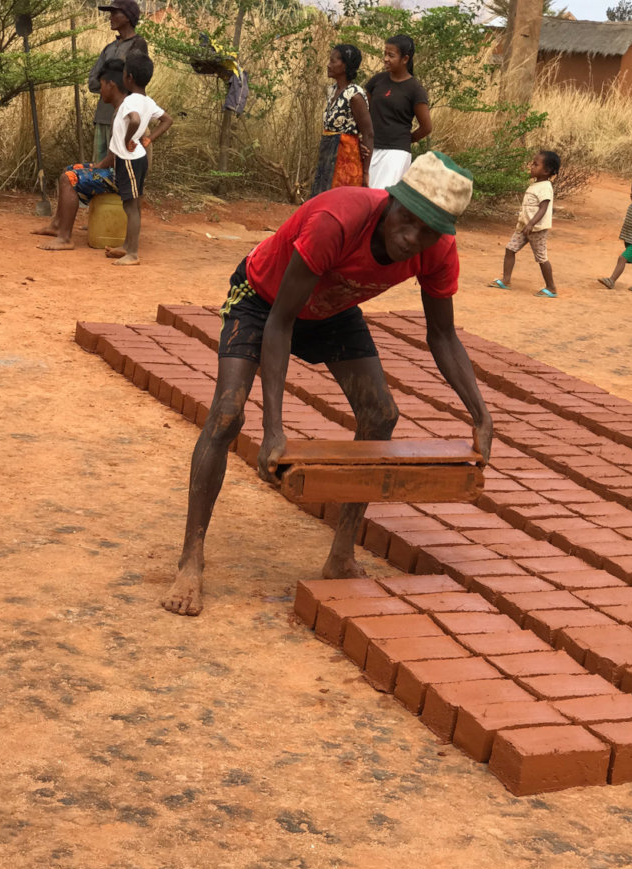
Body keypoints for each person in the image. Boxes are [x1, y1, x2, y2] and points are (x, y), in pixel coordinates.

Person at [161, 151, 493, 617]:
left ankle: (341, 554)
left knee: (380, 414)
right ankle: (191, 559)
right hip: (264, 299)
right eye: (409, 221)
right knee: (227, 412)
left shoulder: (436, 251)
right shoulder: (338, 219)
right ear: (393, 201)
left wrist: (481, 414)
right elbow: (280, 322)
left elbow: (442, 334)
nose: (411, 239)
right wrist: (274, 429)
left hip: (333, 309)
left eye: (429, 232)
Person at [34, 57, 172, 258]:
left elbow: (119, 150)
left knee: (69, 178)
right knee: (70, 169)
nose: (100, 91)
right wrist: (96, 166)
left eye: (102, 86)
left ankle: (65, 237)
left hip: (123, 172)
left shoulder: (126, 108)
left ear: (112, 84)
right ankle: (57, 225)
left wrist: (105, 160)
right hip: (123, 168)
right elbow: (117, 151)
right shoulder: (134, 104)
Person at [104, 51, 173, 266]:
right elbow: (167, 120)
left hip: (129, 160)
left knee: (131, 206)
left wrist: (127, 139)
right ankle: (127, 246)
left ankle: (132, 253)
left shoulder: (130, 102)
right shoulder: (148, 101)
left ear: (128, 78)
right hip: (137, 158)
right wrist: (149, 139)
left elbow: (133, 120)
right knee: (132, 203)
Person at [490, 150, 561, 298]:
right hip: (524, 227)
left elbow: (543, 208)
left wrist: (531, 224)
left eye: (536, 164)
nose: (532, 166)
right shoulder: (536, 185)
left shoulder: (545, 187)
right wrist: (526, 224)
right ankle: (506, 280)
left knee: (541, 257)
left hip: (536, 229)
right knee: (510, 249)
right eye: (532, 163)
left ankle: (551, 287)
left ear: (547, 171)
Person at [365, 34, 431, 190]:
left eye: (391, 55)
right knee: (365, 197)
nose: (386, 59)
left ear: (405, 59)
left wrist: (404, 140)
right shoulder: (377, 81)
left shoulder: (415, 89)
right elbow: (363, 111)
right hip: (371, 149)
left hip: (396, 154)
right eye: (385, 54)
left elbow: (426, 127)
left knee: (382, 198)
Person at [88, 0, 148, 163]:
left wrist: (107, 80)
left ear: (128, 17)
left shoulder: (138, 44)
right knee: (100, 170)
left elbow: (135, 81)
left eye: (115, 13)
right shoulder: (109, 48)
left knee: (122, 169)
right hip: (103, 116)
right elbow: (92, 82)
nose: (110, 17)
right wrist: (114, 79)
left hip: (126, 118)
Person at [310, 44, 373, 196]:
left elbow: (368, 133)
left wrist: (365, 172)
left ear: (345, 66)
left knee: (338, 201)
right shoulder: (332, 91)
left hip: (346, 159)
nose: (328, 65)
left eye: (333, 61)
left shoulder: (355, 95)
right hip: (328, 154)